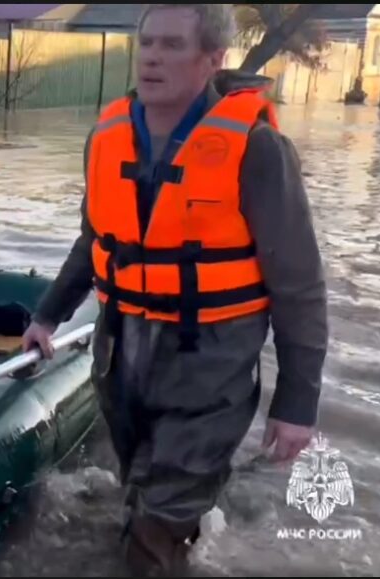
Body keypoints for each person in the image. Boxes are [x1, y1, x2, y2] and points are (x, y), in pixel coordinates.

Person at [21, 4, 328, 576]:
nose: (153, 58)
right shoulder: (107, 137)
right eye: (147, 45)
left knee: (155, 529)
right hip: (122, 355)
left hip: (211, 363)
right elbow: (95, 240)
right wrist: (48, 315)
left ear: (214, 59)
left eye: (171, 46)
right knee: (136, 490)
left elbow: (301, 286)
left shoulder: (257, 150)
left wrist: (296, 403)